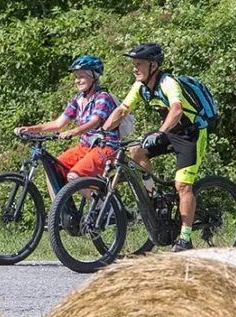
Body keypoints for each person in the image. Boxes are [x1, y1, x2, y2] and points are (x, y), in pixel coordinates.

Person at [100, 43, 209, 251]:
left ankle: (185, 238)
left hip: (190, 134)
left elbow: (176, 110)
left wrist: (159, 132)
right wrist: (102, 131)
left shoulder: (168, 83)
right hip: (169, 132)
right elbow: (122, 109)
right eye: (133, 64)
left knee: (182, 185)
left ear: (153, 65)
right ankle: (153, 196)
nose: (135, 68)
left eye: (139, 63)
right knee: (135, 150)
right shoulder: (140, 86)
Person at [14, 56, 120, 192]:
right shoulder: (78, 100)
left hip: (105, 148)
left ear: (94, 76)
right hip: (85, 147)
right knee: (53, 171)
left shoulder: (102, 98)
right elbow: (58, 123)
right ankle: (60, 212)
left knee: (74, 177)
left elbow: (95, 122)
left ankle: (102, 209)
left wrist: (73, 132)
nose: (77, 81)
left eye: (81, 76)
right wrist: (30, 129)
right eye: (76, 77)